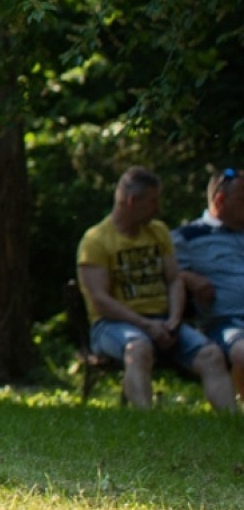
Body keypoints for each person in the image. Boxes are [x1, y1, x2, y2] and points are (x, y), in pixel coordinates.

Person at [76, 165, 234, 411]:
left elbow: (174, 279)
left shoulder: (158, 231)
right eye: (152, 201)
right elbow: (99, 300)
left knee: (211, 355)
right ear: (131, 201)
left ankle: (230, 421)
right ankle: (146, 420)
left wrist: (173, 319)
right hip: (112, 326)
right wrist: (145, 325)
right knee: (138, 348)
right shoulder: (95, 240)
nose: (158, 208)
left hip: (163, 321)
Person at [173, 167, 244, 404]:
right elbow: (165, 275)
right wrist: (187, 277)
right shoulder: (186, 237)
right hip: (226, 323)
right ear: (220, 200)